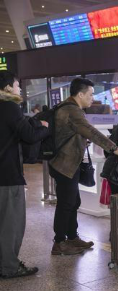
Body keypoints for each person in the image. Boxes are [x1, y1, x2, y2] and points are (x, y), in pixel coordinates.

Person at [49, 78, 118, 256]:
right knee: (66, 203)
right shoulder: (72, 110)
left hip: (68, 163)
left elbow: (75, 134)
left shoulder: (70, 108)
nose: (92, 98)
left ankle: (72, 237)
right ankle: (59, 242)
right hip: (64, 164)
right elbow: (92, 132)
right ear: (80, 94)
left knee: (73, 202)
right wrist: (115, 149)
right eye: (90, 94)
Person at [0, 71, 50, 279]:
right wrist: (45, 127)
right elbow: (29, 136)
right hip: (8, 174)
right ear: (8, 88)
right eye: (17, 84)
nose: (20, 88)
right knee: (11, 224)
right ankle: (10, 267)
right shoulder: (10, 107)